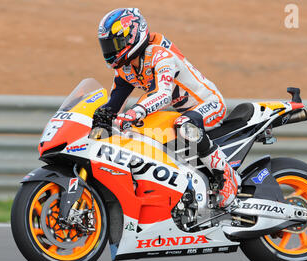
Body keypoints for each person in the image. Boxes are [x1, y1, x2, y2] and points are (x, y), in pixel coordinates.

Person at [95, 8, 240, 208]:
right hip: (183, 109)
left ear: (132, 35)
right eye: (107, 46)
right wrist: (100, 117)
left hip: (209, 103)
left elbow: (162, 94)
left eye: (115, 44)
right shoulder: (126, 68)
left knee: (185, 124)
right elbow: (114, 103)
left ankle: (226, 175)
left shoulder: (160, 55)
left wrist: (135, 111)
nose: (110, 51)